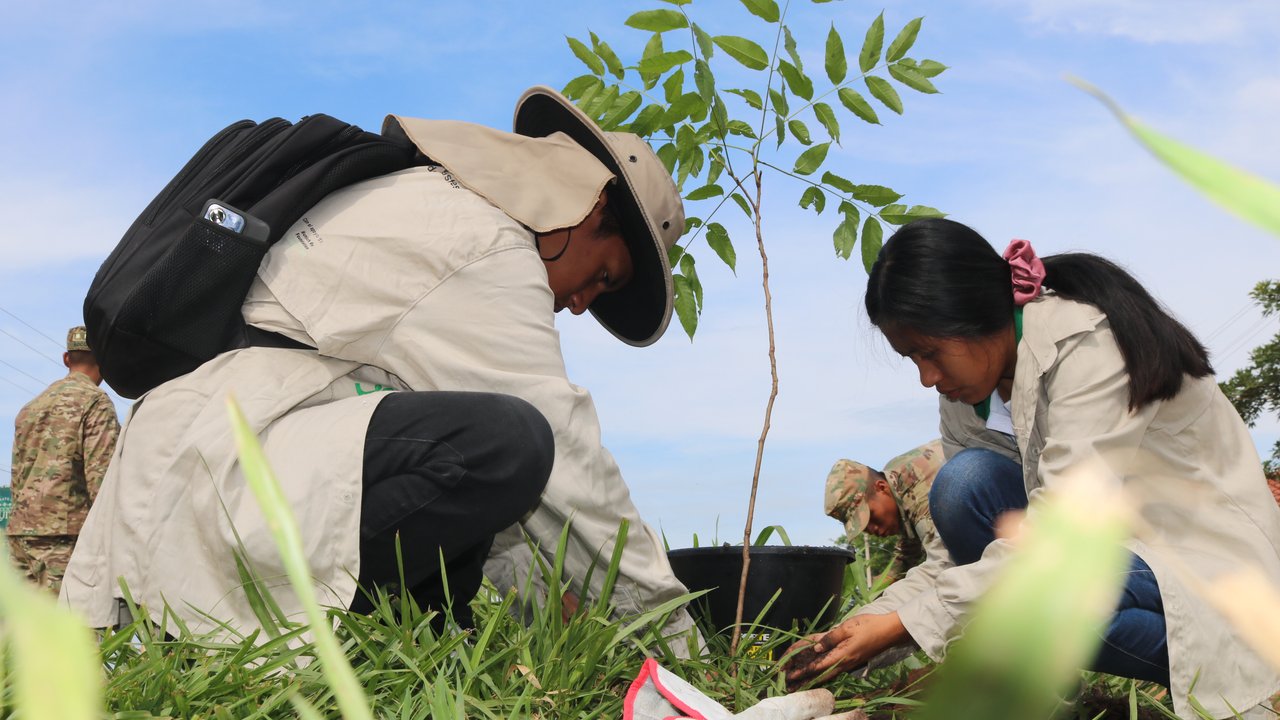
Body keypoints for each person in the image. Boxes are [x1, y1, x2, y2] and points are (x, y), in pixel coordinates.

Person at [61, 86, 701, 650]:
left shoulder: (439, 212)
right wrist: (682, 649)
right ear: (588, 211)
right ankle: (307, 640)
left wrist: (584, 629)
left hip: (216, 465)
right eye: (605, 274)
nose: (585, 302)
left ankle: (376, 644)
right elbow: (570, 463)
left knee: (481, 452)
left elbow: (509, 521)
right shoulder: (485, 248)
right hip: (215, 479)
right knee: (513, 443)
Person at [786, 218, 1280, 719]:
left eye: (930, 352)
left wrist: (906, 625)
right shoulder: (965, 401)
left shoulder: (1086, 347)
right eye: (912, 358)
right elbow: (960, 560)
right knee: (965, 487)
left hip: (1200, 560)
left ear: (975, 315)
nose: (927, 377)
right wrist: (856, 629)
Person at [9, 326, 120, 592]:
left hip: (18, 536)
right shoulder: (96, 402)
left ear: (66, 359)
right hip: (64, 539)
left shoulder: (31, 407)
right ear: (103, 360)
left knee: (19, 627)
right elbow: (101, 479)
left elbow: (18, 476)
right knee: (71, 627)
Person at [825, 440, 945, 585]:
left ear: (881, 488)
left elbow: (943, 569)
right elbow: (908, 550)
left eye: (871, 518)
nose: (872, 530)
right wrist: (878, 588)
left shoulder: (926, 501)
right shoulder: (895, 475)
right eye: (862, 527)